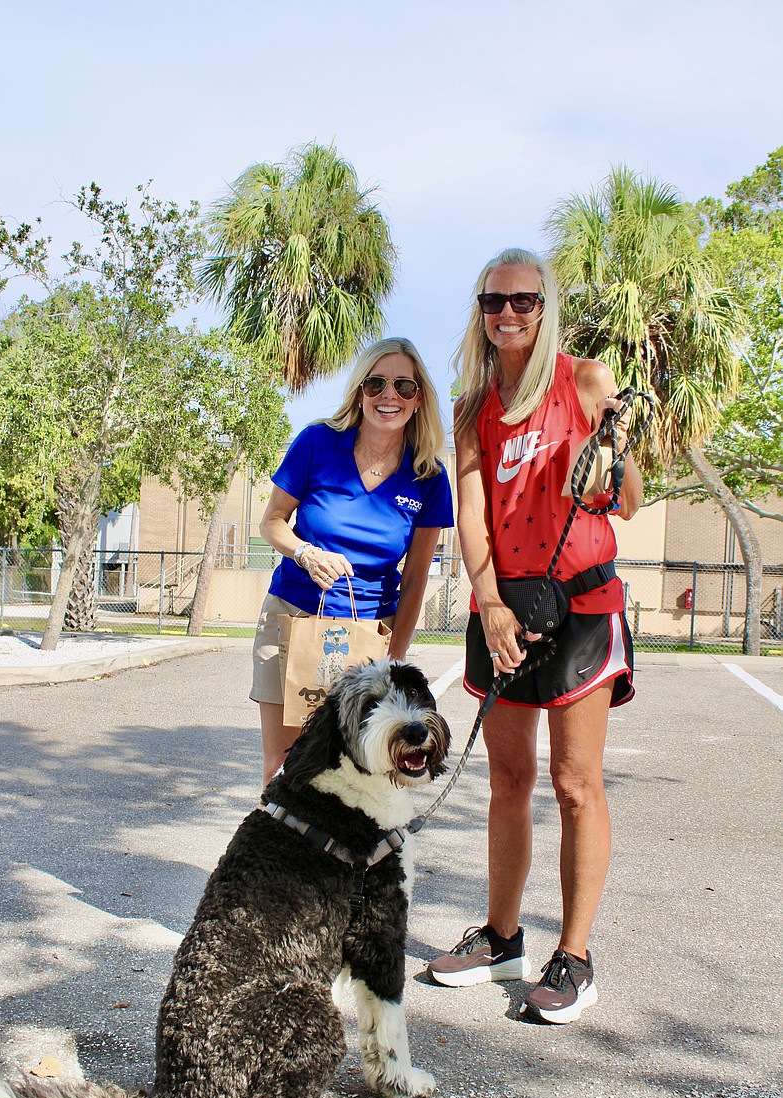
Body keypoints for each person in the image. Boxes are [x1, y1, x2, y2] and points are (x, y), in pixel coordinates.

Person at [427, 248, 642, 1023]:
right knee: (508, 781)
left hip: (582, 607)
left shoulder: (585, 381)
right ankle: (502, 936)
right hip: (505, 611)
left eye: (522, 299)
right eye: (493, 301)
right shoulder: (472, 405)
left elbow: (631, 498)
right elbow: (472, 513)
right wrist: (487, 603)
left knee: (575, 781)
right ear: (480, 311)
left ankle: (575, 955)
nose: (507, 313)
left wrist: (611, 465)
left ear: (545, 305)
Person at [252, 337, 454, 786]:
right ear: (359, 391)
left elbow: (416, 577)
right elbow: (272, 523)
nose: (389, 396)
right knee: (286, 768)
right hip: (294, 620)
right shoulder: (318, 443)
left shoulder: (429, 477)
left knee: (366, 777)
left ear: (419, 397)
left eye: (404, 386)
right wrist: (305, 553)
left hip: (370, 639)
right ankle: (279, 857)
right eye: (376, 383)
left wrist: (395, 659)